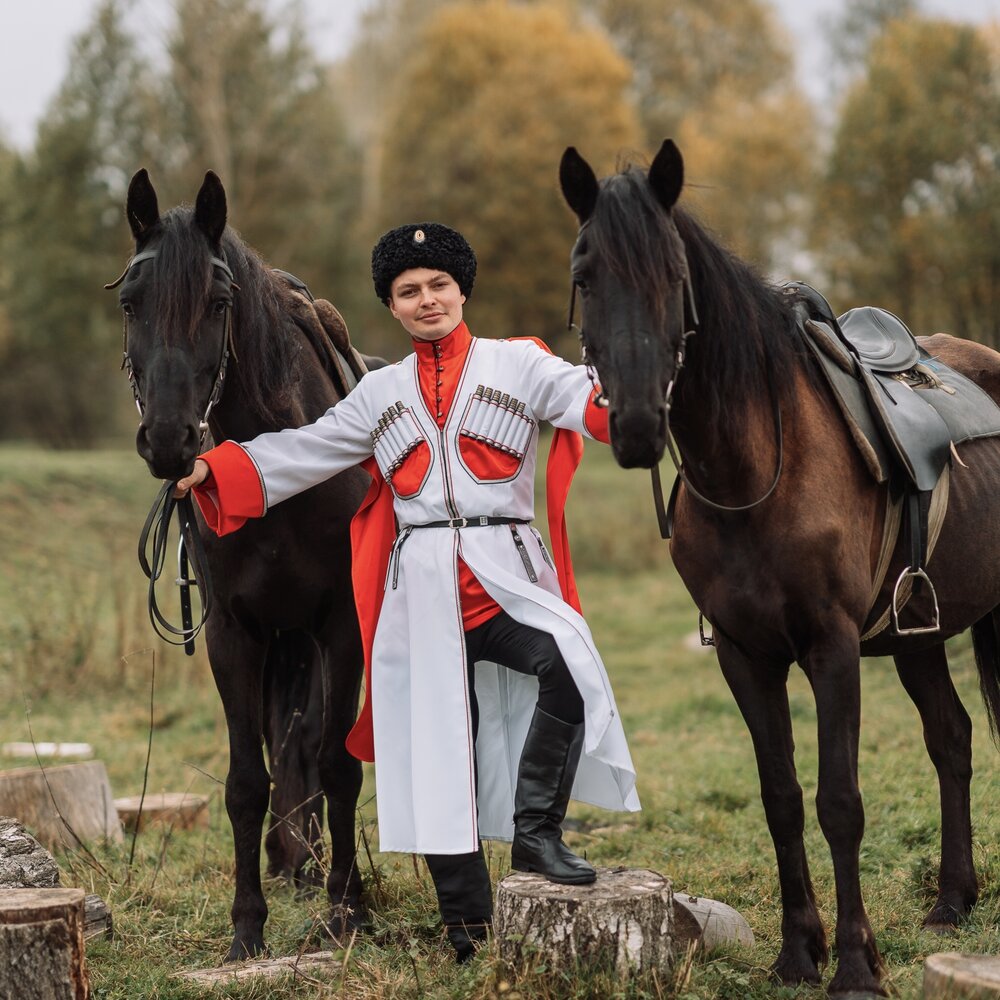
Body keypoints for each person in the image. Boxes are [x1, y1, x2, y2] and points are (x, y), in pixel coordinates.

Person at [176, 223, 640, 963]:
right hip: (421, 593)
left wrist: (639, 394)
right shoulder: (378, 394)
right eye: (408, 292)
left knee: (571, 671)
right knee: (435, 757)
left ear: (462, 291)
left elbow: (592, 401)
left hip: (507, 578)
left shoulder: (519, 364)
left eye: (437, 286)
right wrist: (215, 473)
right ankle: (466, 928)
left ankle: (537, 834)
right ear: (392, 307)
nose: (426, 301)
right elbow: (306, 449)